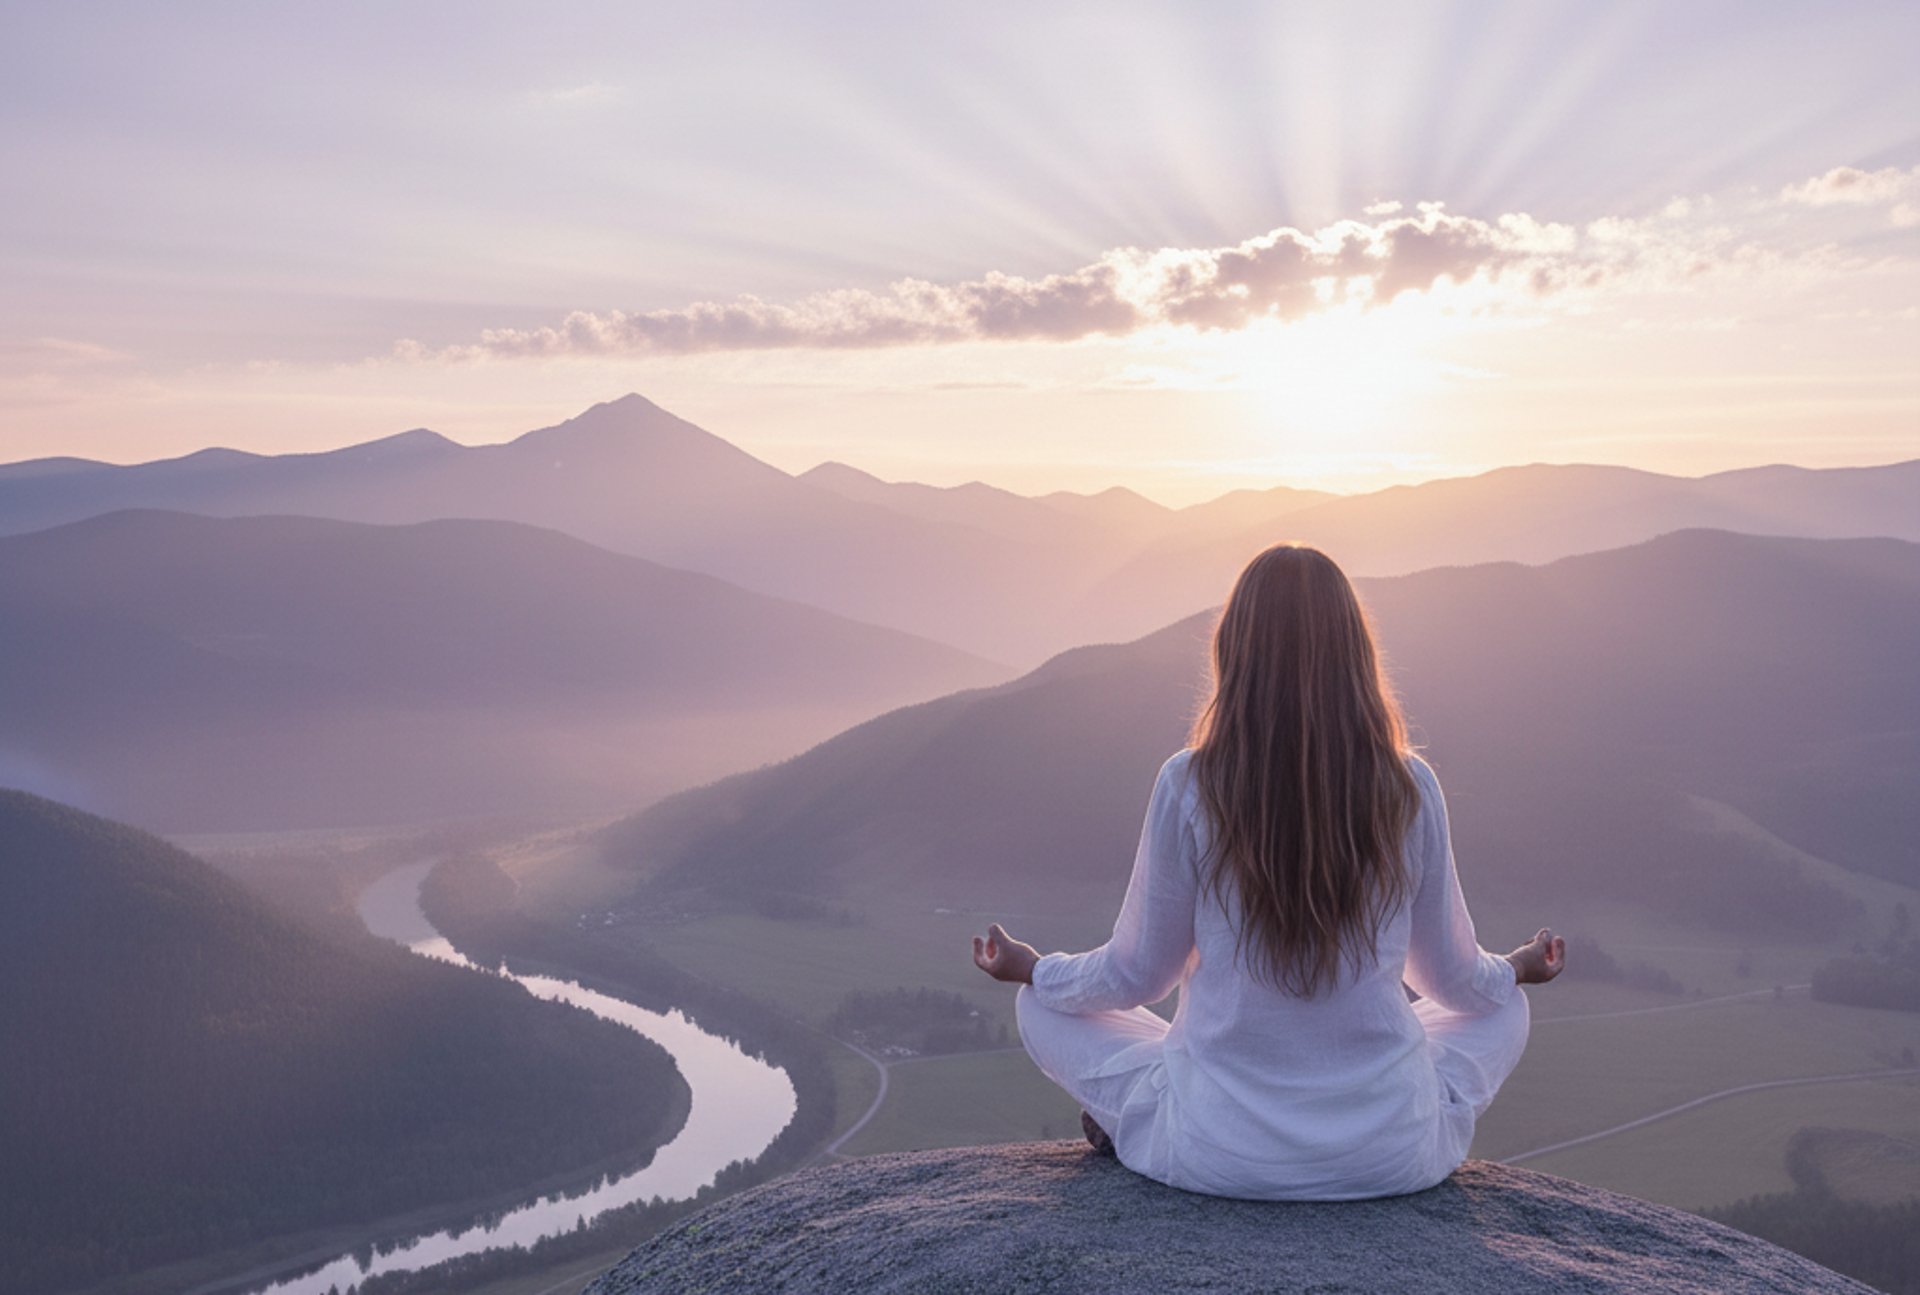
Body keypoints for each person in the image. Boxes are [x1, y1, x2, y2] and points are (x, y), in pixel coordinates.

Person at [970, 543, 1565, 1201]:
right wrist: (1516, 968)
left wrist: (1033, 968)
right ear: (1356, 654)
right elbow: (1449, 981)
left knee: (1042, 1007)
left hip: (1218, 1151)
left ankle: (1138, 1116)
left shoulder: (1191, 782)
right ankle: (1405, 1101)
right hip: (1389, 1151)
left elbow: (1138, 973)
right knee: (1504, 1008)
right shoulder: (1409, 786)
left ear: (1234, 649)